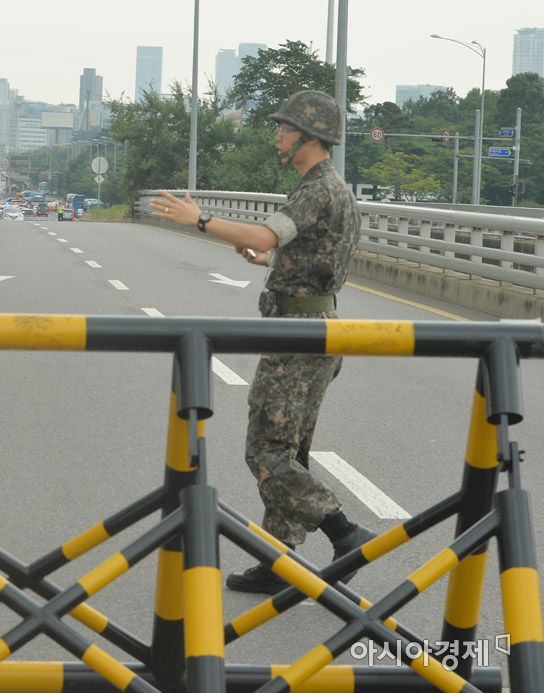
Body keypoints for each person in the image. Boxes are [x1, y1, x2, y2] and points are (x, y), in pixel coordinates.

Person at [150, 90, 374, 594]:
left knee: (266, 452)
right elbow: (316, 259)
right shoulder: (330, 187)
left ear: (310, 138)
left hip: (298, 339)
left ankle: (345, 533)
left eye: (285, 127)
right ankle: (280, 562)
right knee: (291, 452)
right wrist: (271, 263)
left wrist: (201, 220)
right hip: (316, 329)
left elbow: (267, 235)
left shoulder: (317, 188)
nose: (277, 134)